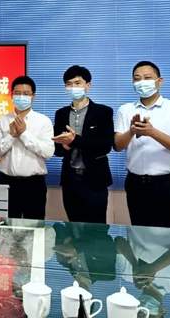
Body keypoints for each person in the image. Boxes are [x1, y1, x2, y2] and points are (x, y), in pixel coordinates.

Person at [114, 61, 170, 228]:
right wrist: (131, 131)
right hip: (135, 183)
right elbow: (118, 146)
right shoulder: (125, 110)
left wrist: (152, 132)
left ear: (159, 81)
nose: (142, 82)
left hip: (167, 184)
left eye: (147, 77)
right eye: (137, 79)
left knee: (169, 234)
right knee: (139, 232)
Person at [53, 65, 114, 224]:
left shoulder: (103, 112)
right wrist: (63, 146)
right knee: (73, 225)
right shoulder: (61, 114)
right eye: (69, 84)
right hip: (70, 180)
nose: (73, 87)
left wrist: (75, 140)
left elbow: (105, 145)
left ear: (88, 85)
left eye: (77, 83)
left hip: (95, 179)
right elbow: (57, 149)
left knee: (96, 229)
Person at [0, 76, 54, 220]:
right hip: (7, 182)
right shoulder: (1, 120)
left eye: (26, 94)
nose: (21, 97)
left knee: (35, 226)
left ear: (33, 96)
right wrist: (11, 136)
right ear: (11, 95)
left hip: (34, 184)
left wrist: (24, 134)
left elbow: (48, 152)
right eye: (17, 93)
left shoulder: (43, 121)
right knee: (7, 227)